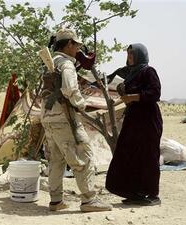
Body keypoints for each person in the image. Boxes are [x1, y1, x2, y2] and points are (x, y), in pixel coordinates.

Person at [40, 28, 112, 212]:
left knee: (56, 159)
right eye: (77, 45)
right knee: (83, 156)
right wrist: (82, 105)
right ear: (69, 44)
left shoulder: (52, 62)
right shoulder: (66, 64)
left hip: (48, 118)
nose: (78, 49)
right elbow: (70, 90)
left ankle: (56, 201)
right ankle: (89, 200)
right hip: (64, 119)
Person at [105, 43, 163, 206]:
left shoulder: (148, 71)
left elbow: (155, 93)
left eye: (132, 54)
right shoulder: (130, 73)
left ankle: (153, 195)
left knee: (148, 156)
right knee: (129, 154)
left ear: (140, 55)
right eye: (128, 54)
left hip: (148, 120)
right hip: (133, 120)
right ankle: (134, 193)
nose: (129, 57)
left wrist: (132, 97)